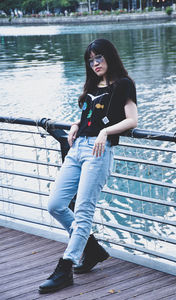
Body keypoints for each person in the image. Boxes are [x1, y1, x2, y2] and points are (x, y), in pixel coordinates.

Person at [39, 38, 138, 294]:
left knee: (83, 211)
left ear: (110, 57)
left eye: (99, 58)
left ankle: (66, 267)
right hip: (77, 148)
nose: (95, 64)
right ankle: (91, 249)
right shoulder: (92, 85)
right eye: (91, 60)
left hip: (98, 151)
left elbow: (132, 120)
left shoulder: (123, 85)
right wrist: (75, 124)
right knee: (56, 205)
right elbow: (88, 115)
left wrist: (105, 132)